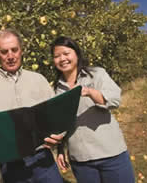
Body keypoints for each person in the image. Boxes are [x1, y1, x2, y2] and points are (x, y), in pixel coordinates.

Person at [0, 28, 64, 183]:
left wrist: (58, 135)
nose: (10, 56)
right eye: (4, 51)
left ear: (21, 50)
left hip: (43, 159)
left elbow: (56, 117)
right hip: (11, 165)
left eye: (14, 50)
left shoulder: (38, 80)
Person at [51, 36, 135, 183]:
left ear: (76, 53)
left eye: (66, 53)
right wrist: (60, 150)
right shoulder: (56, 89)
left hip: (110, 153)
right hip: (81, 160)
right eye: (57, 56)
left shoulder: (96, 74)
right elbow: (60, 124)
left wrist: (89, 92)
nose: (62, 58)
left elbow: (115, 100)